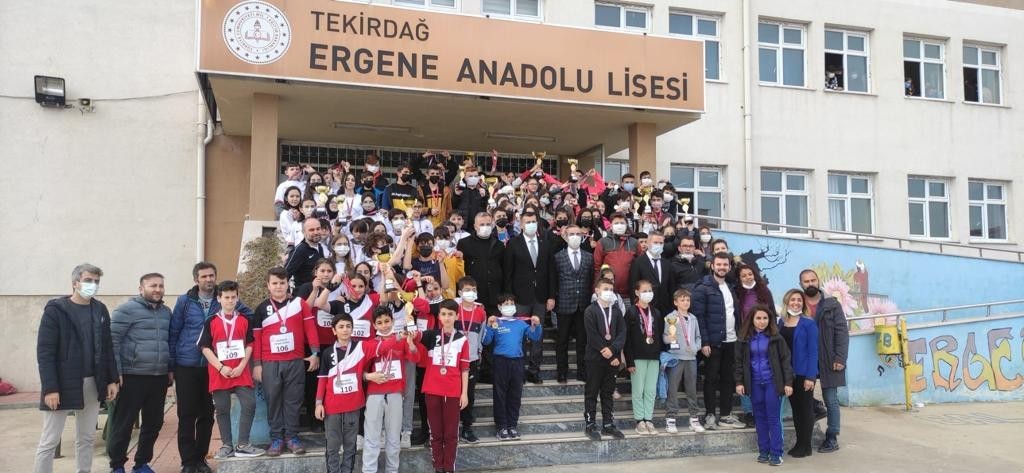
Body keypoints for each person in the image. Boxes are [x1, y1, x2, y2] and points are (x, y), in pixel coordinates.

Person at [34, 264, 119, 473]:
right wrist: (50, 388)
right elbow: (45, 353)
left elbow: (107, 347)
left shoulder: (100, 309)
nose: (93, 285)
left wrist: (111, 379)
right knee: (50, 440)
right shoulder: (56, 311)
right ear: (75, 283)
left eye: (96, 282)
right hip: (62, 384)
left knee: (87, 438)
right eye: (88, 280)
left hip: (93, 382)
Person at [169, 262, 253, 473]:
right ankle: (188, 462)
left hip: (214, 368)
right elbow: (174, 332)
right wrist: (171, 365)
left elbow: (248, 318)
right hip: (187, 364)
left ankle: (200, 458)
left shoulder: (225, 297)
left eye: (211, 275)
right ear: (196, 279)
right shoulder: (185, 301)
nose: (208, 279)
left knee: (207, 414)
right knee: (187, 414)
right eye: (204, 276)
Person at [253, 267, 321, 456]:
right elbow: (257, 338)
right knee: (273, 401)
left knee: (293, 401)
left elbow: (310, 329)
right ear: (268, 285)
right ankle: (276, 438)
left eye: (282, 283)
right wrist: (257, 364)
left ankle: (291, 437)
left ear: (287, 284)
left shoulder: (300, 304)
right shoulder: (261, 308)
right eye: (274, 283)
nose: (278, 287)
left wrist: (315, 353)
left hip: (295, 361)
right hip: (270, 362)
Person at [108, 273, 173, 473]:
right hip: (132, 376)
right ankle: (117, 465)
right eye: (153, 285)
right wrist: (116, 372)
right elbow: (112, 342)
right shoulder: (126, 310)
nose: (158, 289)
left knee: (153, 423)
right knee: (124, 424)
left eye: (161, 285)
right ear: (141, 288)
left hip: (159, 377)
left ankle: (142, 463)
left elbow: (169, 342)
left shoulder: (166, 312)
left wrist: (170, 369)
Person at [197, 280, 266, 460]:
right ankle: (227, 445)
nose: (230, 301)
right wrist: (220, 367)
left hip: (241, 371)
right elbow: (204, 347)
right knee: (222, 408)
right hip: (220, 373)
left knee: (249, 404)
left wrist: (243, 364)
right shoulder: (211, 321)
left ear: (238, 297)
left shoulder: (244, 320)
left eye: (233, 297)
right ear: (218, 298)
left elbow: (250, 343)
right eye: (226, 297)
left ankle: (243, 444)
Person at [734, 305, 793, 467]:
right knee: (759, 419)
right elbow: (739, 363)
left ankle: (776, 453)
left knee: (773, 419)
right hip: (754, 384)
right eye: (758, 318)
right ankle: (764, 451)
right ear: (752, 320)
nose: (762, 322)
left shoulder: (776, 338)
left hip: (772, 384)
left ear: (770, 319)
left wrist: (788, 383)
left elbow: (786, 361)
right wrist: (739, 382)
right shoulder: (744, 339)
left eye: (765, 318)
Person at [691, 253, 745, 430]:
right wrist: (705, 342)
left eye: (725, 265)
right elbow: (699, 317)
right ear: (712, 266)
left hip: (732, 340)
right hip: (713, 342)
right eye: (719, 264)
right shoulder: (702, 288)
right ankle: (710, 415)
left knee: (728, 379)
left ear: (729, 267)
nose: (722, 267)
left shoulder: (731, 287)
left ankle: (726, 415)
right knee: (711, 379)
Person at [417, 300, 471, 473]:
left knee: (450, 434)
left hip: (452, 391)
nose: (447, 318)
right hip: (432, 390)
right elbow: (415, 336)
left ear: (457, 316)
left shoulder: (462, 339)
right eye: (443, 314)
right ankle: (438, 467)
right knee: (436, 433)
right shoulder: (431, 335)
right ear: (438, 315)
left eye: (450, 314)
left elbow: (464, 368)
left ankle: (449, 468)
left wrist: (464, 393)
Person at [799, 269, 849, 453]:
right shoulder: (797, 303)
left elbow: (841, 332)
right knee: (800, 394)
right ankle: (816, 408)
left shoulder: (831, 304)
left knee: (831, 398)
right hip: (804, 359)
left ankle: (832, 436)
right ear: (801, 284)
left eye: (813, 280)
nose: (810, 283)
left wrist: (840, 357)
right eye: (806, 281)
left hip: (829, 358)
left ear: (818, 281)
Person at [503, 210, 556, 384]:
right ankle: (519, 370)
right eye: (527, 221)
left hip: (540, 297)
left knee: (537, 335)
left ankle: (534, 370)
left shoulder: (545, 243)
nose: (531, 224)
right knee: (519, 334)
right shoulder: (513, 244)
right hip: (519, 297)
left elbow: (550, 272)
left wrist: (551, 296)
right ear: (521, 223)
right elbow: (508, 273)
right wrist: (509, 297)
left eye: (533, 221)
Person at [363, 307, 417, 473]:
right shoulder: (369, 344)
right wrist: (369, 376)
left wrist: (411, 343)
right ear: (374, 325)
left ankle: (392, 470)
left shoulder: (401, 340)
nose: (384, 325)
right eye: (379, 323)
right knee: (372, 438)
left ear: (393, 321)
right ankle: (369, 470)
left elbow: (415, 358)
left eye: (387, 321)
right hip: (374, 394)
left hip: (394, 393)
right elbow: (360, 371)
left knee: (393, 438)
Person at [482, 294, 543, 440]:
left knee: (515, 395)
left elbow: (534, 337)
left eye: (511, 303)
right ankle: (501, 427)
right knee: (500, 395)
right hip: (500, 362)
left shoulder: (521, 323)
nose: (509, 306)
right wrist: (488, 326)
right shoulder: (497, 322)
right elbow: (486, 341)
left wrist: (537, 325)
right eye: (505, 303)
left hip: (517, 362)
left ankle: (512, 425)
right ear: (499, 307)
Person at [582, 279, 626, 441]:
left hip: (612, 360)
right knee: (592, 392)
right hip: (595, 358)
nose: (609, 291)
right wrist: (604, 350)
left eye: (611, 289)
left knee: (608, 392)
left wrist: (613, 352)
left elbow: (622, 333)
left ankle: (608, 424)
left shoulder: (616, 311)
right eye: (605, 288)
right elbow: (592, 334)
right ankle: (590, 424)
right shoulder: (590, 311)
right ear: (597, 291)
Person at [779, 289, 819, 458]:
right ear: (787, 302)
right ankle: (799, 443)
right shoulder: (781, 323)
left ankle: (806, 445)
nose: (796, 302)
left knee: (806, 410)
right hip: (788, 375)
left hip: (804, 374)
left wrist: (811, 377)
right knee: (796, 410)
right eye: (793, 300)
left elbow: (813, 351)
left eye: (799, 300)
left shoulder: (808, 324)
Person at [552, 225, 594, 383]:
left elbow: (590, 279)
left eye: (578, 234)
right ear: (565, 236)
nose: (575, 236)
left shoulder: (589, 256)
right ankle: (562, 371)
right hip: (564, 304)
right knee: (562, 340)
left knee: (582, 341)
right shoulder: (558, 257)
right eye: (572, 234)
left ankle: (581, 371)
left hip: (583, 304)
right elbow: (554, 280)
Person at [624, 280, 663, 435]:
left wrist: (660, 356)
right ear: (637, 293)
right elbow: (627, 338)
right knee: (638, 390)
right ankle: (639, 420)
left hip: (653, 356)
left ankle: (649, 419)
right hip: (637, 357)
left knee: (650, 390)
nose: (648, 293)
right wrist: (629, 360)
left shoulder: (657, 313)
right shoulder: (631, 312)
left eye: (650, 290)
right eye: (644, 290)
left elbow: (658, 335)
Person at [662, 289, 704, 434]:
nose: (685, 302)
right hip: (676, 358)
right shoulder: (670, 317)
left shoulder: (693, 318)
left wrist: (696, 347)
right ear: (675, 302)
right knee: (672, 389)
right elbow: (665, 336)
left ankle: (694, 419)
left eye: (687, 300)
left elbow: (698, 337)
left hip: (691, 358)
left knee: (692, 389)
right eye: (682, 300)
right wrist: (669, 339)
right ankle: (671, 419)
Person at [452, 277, 487, 443]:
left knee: (469, 395)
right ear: (460, 292)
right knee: (452, 394)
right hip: (453, 359)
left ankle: (467, 428)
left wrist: (478, 351)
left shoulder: (480, 311)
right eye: (467, 290)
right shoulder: (454, 309)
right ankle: (452, 428)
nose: (470, 293)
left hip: (471, 358)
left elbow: (482, 335)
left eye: (473, 290)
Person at [456, 212, 504, 312]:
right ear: (475, 226)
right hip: (473, 296)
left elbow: (504, 268)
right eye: (482, 224)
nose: (485, 227)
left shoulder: (499, 245)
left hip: (494, 296)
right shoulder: (464, 243)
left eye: (488, 224)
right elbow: (460, 269)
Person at [592, 213, 639, 301]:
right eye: (616, 223)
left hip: (629, 294)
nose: (619, 225)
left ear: (626, 225)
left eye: (622, 223)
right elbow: (597, 268)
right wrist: (596, 289)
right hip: (608, 293)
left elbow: (640, 266)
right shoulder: (602, 242)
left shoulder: (635, 243)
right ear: (611, 225)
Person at [628, 231, 674, 314]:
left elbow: (671, 287)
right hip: (645, 308)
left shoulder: (667, 263)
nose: (658, 245)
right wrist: (636, 308)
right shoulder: (638, 262)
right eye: (655, 242)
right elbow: (633, 286)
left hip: (665, 309)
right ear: (648, 243)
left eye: (661, 243)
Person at [286, 218, 326, 289]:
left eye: (318, 229)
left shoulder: (320, 247)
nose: (316, 232)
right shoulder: (300, 250)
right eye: (311, 230)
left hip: (317, 294)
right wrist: (287, 294)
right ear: (303, 232)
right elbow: (285, 274)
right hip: (303, 297)